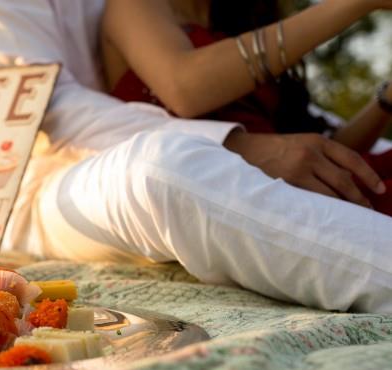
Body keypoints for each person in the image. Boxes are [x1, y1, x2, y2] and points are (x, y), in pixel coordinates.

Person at [0, 0, 392, 313]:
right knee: (161, 170)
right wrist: (238, 145)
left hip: (217, 163)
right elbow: (48, 110)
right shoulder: (134, 10)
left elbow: (310, 138)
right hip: (65, 177)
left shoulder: (240, 15)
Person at [102, 0, 392, 215]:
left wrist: (387, 100)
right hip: (230, 202)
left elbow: (317, 155)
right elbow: (186, 88)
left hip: (305, 192)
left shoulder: (242, 20)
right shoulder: (134, 6)